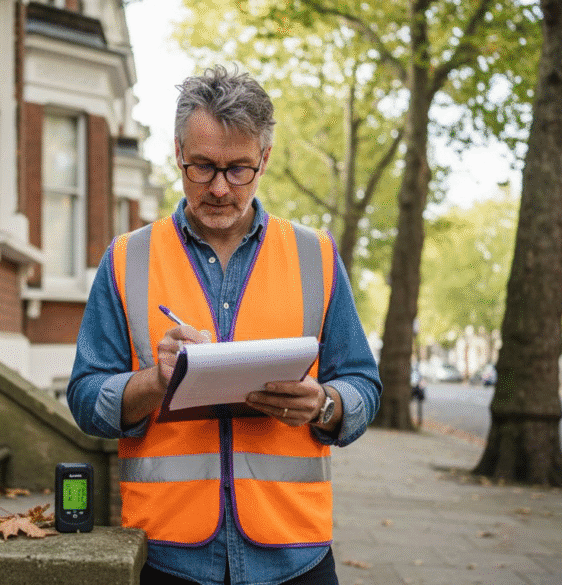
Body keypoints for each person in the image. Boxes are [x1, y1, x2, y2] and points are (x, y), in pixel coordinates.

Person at [66, 65, 382, 585]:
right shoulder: (127, 258)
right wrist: (153, 381)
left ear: (265, 159)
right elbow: (84, 397)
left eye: (239, 170)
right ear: (177, 154)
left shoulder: (316, 255)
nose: (218, 188)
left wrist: (326, 404)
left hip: (294, 552)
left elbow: (363, 385)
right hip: (168, 553)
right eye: (202, 167)